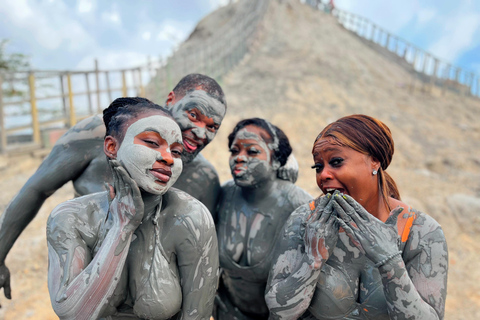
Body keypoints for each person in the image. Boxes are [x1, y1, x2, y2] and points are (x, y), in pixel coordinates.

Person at [0, 74, 226, 302]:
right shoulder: (98, 134)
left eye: (212, 127)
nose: (200, 132)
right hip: (87, 295)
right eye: (193, 115)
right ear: (171, 99)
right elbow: (36, 189)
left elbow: (201, 259)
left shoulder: (203, 178)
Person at [46, 98, 219, 319]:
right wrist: (122, 226)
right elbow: (73, 313)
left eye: (176, 152)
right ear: (111, 147)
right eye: (152, 142)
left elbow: (198, 315)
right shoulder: (70, 218)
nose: (168, 158)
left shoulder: (191, 218)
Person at [265, 114, 448, 319]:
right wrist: (312, 260)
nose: (323, 174)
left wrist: (389, 261)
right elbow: (279, 313)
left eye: (336, 162)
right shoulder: (305, 221)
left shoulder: (422, 232)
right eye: (319, 167)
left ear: (375, 161)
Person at [215, 118, 312, 319]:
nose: (239, 158)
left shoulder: (300, 206)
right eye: (234, 151)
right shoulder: (223, 196)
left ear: (276, 161)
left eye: (252, 151)